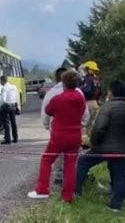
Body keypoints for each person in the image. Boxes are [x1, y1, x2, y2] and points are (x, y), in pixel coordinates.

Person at [76, 81, 125, 211]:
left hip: (103, 149)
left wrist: (94, 143)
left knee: (82, 162)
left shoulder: (107, 107)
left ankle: (75, 192)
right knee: (119, 175)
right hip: (123, 150)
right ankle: (116, 205)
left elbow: (99, 128)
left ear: (111, 92)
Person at [27, 70, 86, 203]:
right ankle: (67, 196)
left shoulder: (58, 98)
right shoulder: (81, 98)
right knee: (70, 165)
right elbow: (83, 113)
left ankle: (42, 189)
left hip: (59, 135)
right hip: (75, 135)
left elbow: (48, 111)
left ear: (63, 83)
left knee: (47, 160)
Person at [41, 67, 89, 185]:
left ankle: (57, 177)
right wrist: (82, 124)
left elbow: (45, 112)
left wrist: (47, 126)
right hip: (74, 131)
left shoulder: (51, 94)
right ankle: (71, 187)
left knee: (53, 156)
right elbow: (85, 114)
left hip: (57, 131)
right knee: (71, 161)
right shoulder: (79, 93)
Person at [79, 61, 102, 145]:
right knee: (90, 125)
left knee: (86, 125)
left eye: (85, 69)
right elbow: (100, 92)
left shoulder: (88, 79)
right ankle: (93, 143)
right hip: (95, 103)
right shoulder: (96, 79)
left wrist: (79, 88)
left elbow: (87, 90)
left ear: (88, 69)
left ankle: (88, 143)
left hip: (89, 103)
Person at [0, 75, 18, 144]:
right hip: (13, 106)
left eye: (0, 81)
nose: (0, 82)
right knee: (13, 123)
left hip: (6, 107)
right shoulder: (14, 87)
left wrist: (0, 107)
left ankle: (8, 139)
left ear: (3, 81)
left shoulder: (4, 88)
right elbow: (16, 97)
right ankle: (15, 138)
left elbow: (3, 99)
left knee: (6, 124)